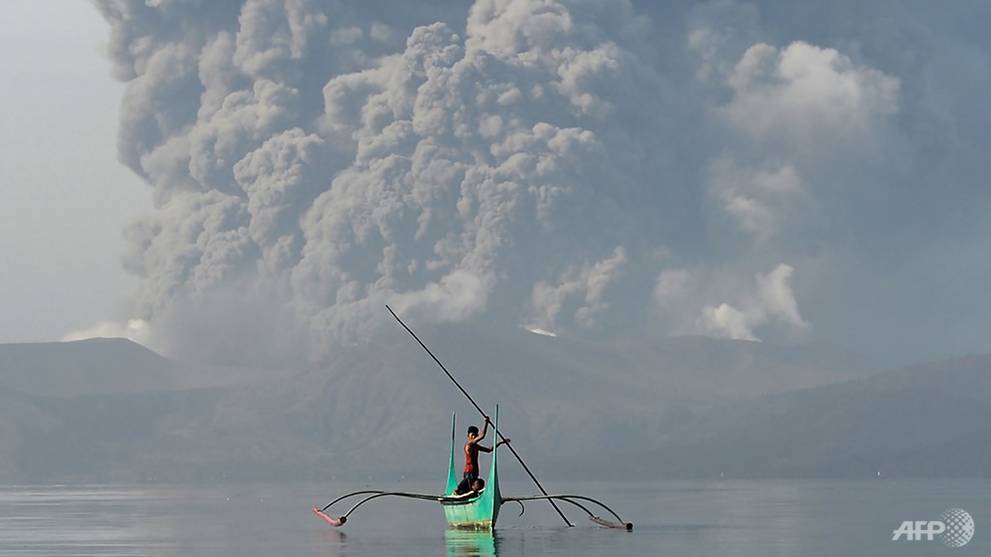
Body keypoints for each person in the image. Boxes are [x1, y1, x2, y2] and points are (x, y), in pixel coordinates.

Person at [455, 416, 509, 495]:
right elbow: (482, 436)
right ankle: (458, 492)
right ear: (468, 436)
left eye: (475, 435)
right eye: (472, 435)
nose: (474, 437)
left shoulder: (476, 446)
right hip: (469, 472)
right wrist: (486, 423)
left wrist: (501, 442)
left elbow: (489, 450)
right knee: (472, 488)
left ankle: (465, 493)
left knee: (478, 486)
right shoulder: (469, 445)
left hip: (475, 472)